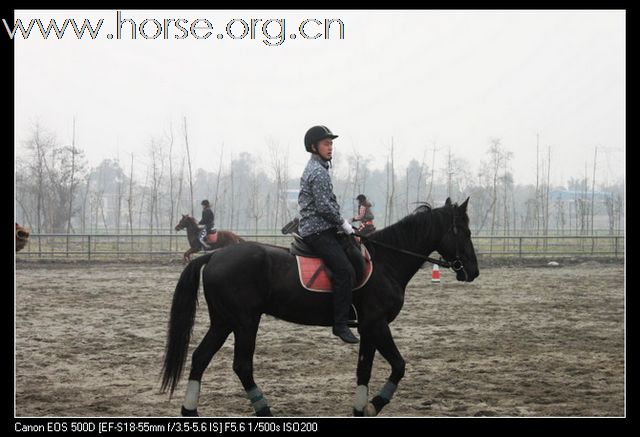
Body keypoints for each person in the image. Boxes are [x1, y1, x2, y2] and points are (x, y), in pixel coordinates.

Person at [298, 125, 360, 344]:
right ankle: (340, 323)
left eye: (331, 143)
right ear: (314, 147)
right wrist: (344, 224)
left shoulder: (319, 168)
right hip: (317, 231)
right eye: (326, 143)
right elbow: (324, 207)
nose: (330, 147)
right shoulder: (318, 172)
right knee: (344, 270)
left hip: (322, 227)